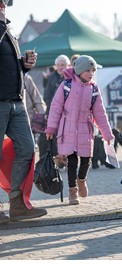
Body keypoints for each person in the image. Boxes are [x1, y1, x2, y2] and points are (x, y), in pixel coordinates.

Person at [0, 0, 47, 223]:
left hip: (16, 102)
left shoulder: (8, 29)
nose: (3, 4)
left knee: (27, 150)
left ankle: (17, 204)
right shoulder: (2, 29)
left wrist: (23, 65)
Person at [45, 55, 114, 205]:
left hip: (85, 130)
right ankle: (72, 191)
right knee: (71, 162)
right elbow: (55, 108)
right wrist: (51, 127)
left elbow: (100, 113)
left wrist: (107, 133)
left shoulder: (94, 89)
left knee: (85, 160)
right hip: (67, 129)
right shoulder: (66, 86)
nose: (91, 73)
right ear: (80, 70)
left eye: (93, 70)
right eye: (88, 70)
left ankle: (81, 180)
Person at [38, 54, 71, 160]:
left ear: (68, 65)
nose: (61, 67)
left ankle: (68, 157)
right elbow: (47, 96)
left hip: (70, 111)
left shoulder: (72, 76)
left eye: (63, 65)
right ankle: (59, 159)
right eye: (58, 65)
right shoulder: (51, 77)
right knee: (57, 135)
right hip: (55, 111)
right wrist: (48, 112)